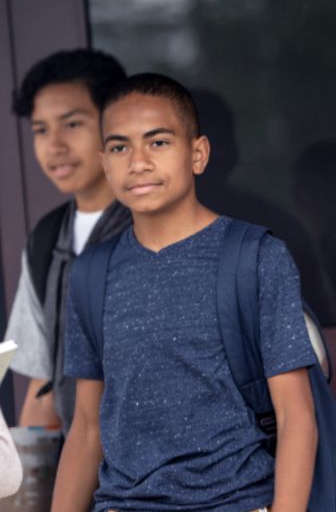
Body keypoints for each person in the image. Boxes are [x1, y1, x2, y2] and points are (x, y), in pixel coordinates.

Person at [51, 73, 318, 512]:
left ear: (197, 154)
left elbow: (296, 416)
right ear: (104, 162)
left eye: (158, 142)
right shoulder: (90, 274)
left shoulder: (255, 258)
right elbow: (85, 427)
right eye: (120, 147)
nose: (137, 162)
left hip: (236, 501)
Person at [3, 50, 130, 432]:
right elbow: (43, 389)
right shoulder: (46, 241)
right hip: (84, 477)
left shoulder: (158, 226)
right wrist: (29, 488)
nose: (54, 145)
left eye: (71, 124)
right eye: (41, 129)